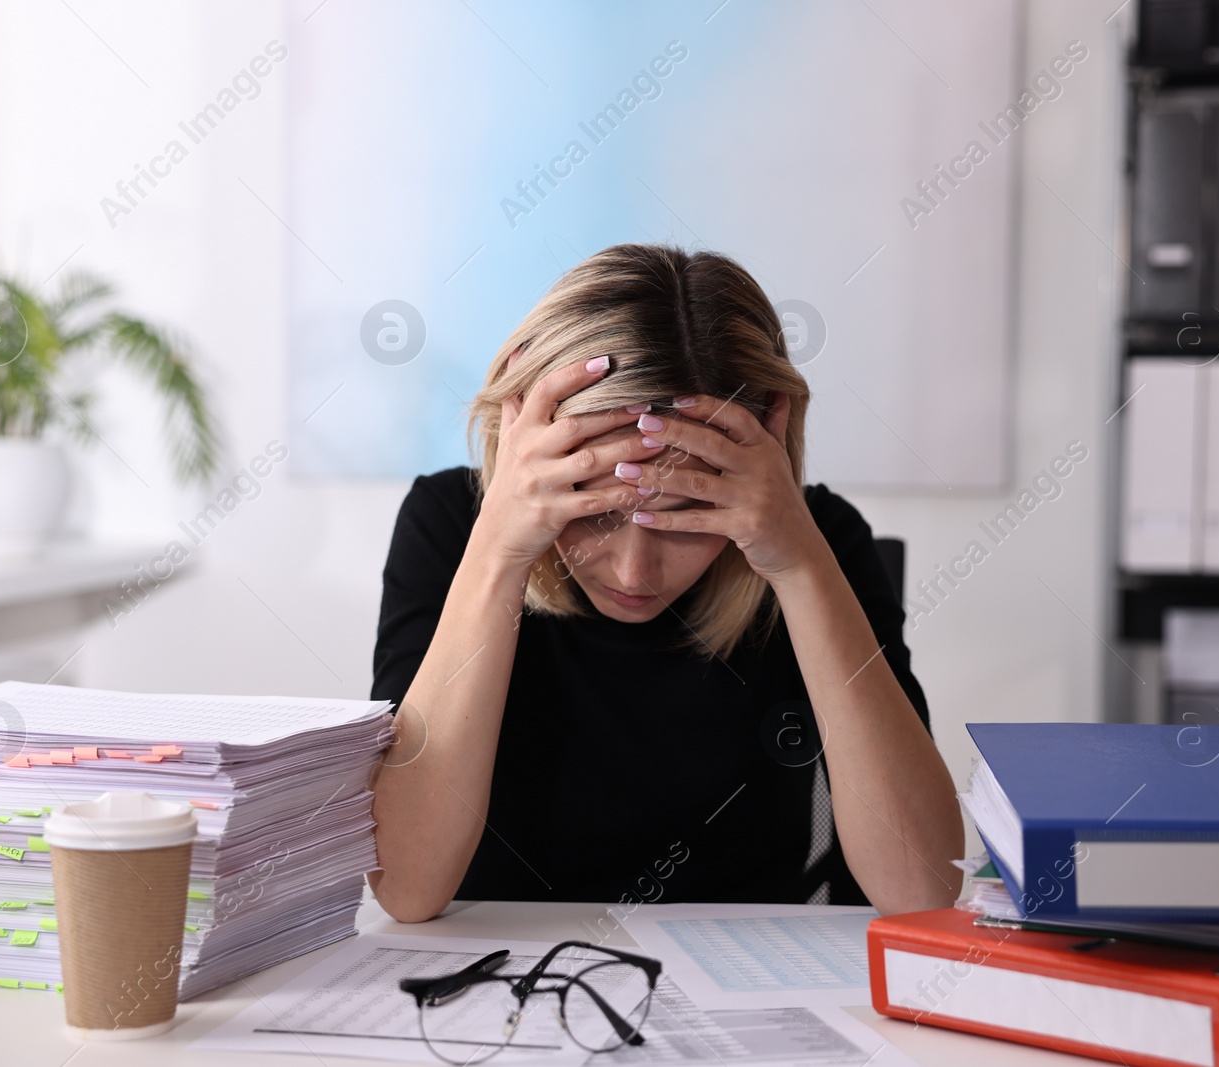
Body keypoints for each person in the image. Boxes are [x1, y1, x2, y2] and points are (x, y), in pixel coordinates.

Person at [368, 243, 962, 923]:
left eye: (685, 518)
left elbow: (923, 888)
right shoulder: (449, 527)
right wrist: (499, 553)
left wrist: (799, 563)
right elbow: (407, 889)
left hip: (756, 979)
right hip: (504, 976)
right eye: (594, 513)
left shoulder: (813, 540)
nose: (634, 571)